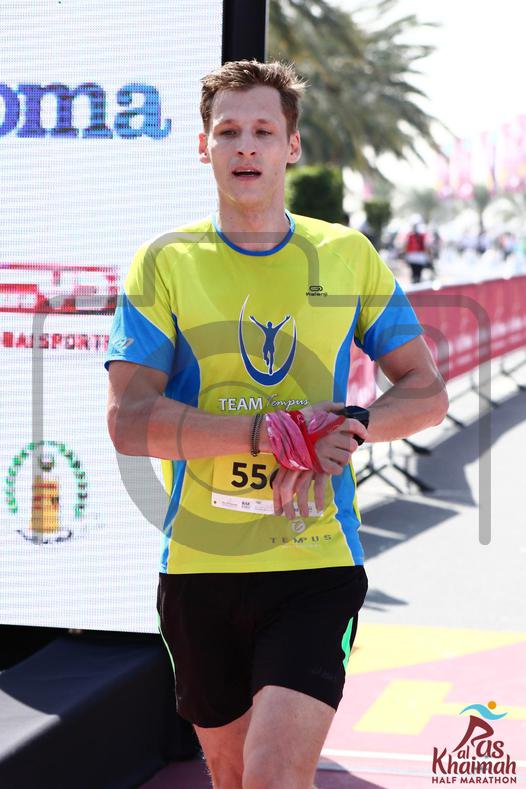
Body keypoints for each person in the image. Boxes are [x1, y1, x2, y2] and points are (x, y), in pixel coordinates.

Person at [104, 60, 448, 789]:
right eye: (228, 131)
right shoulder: (164, 262)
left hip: (315, 561)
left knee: (274, 775)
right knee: (233, 778)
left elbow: (425, 392)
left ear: (291, 146)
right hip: (200, 567)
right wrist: (269, 433)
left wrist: (351, 422)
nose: (245, 146)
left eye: (263, 130)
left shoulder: (346, 255)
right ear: (203, 146)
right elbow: (129, 422)